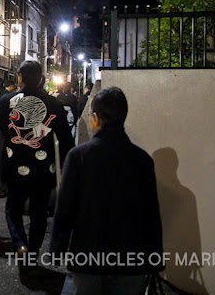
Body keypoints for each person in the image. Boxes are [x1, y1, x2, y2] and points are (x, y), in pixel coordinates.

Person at [50, 87, 164, 293]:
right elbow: (151, 212)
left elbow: (65, 207)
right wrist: (155, 256)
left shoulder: (79, 156)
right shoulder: (142, 159)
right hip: (131, 255)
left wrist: (58, 248)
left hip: (88, 252)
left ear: (95, 118)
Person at [0, 61, 74, 272]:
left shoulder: (7, 101)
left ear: (19, 77)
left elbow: (0, 129)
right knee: (39, 212)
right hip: (43, 168)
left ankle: (20, 243)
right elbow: (65, 140)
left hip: (14, 164)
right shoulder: (54, 104)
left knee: (13, 208)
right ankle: (33, 253)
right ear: (41, 78)